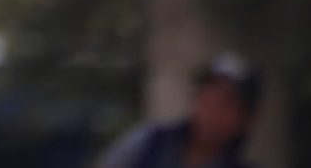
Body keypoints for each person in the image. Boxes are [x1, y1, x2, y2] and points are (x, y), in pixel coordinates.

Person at [97, 53, 262, 168]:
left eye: (225, 103)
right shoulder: (148, 143)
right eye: (207, 97)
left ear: (245, 118)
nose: (212, 110)